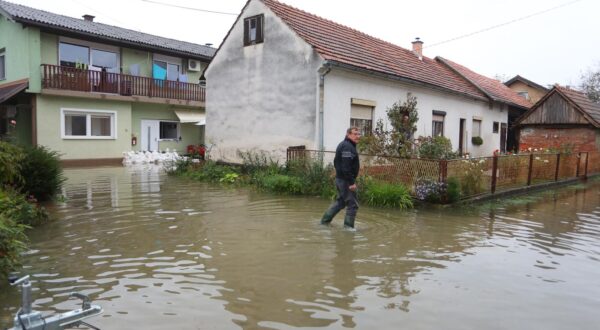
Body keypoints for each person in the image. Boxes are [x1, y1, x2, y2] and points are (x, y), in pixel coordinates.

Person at [320, 127, 361, 228]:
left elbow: (336, 162)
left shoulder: (345, 145)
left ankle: (324, 222)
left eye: (358, 134)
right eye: (355, 134)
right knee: (352, 205)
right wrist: (351, 182)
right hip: (345, 181)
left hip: (341, 179)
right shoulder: (347, 147)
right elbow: (346, 167)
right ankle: (348, 229)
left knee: (341, 202)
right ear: (348, 134)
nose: (357, 136)